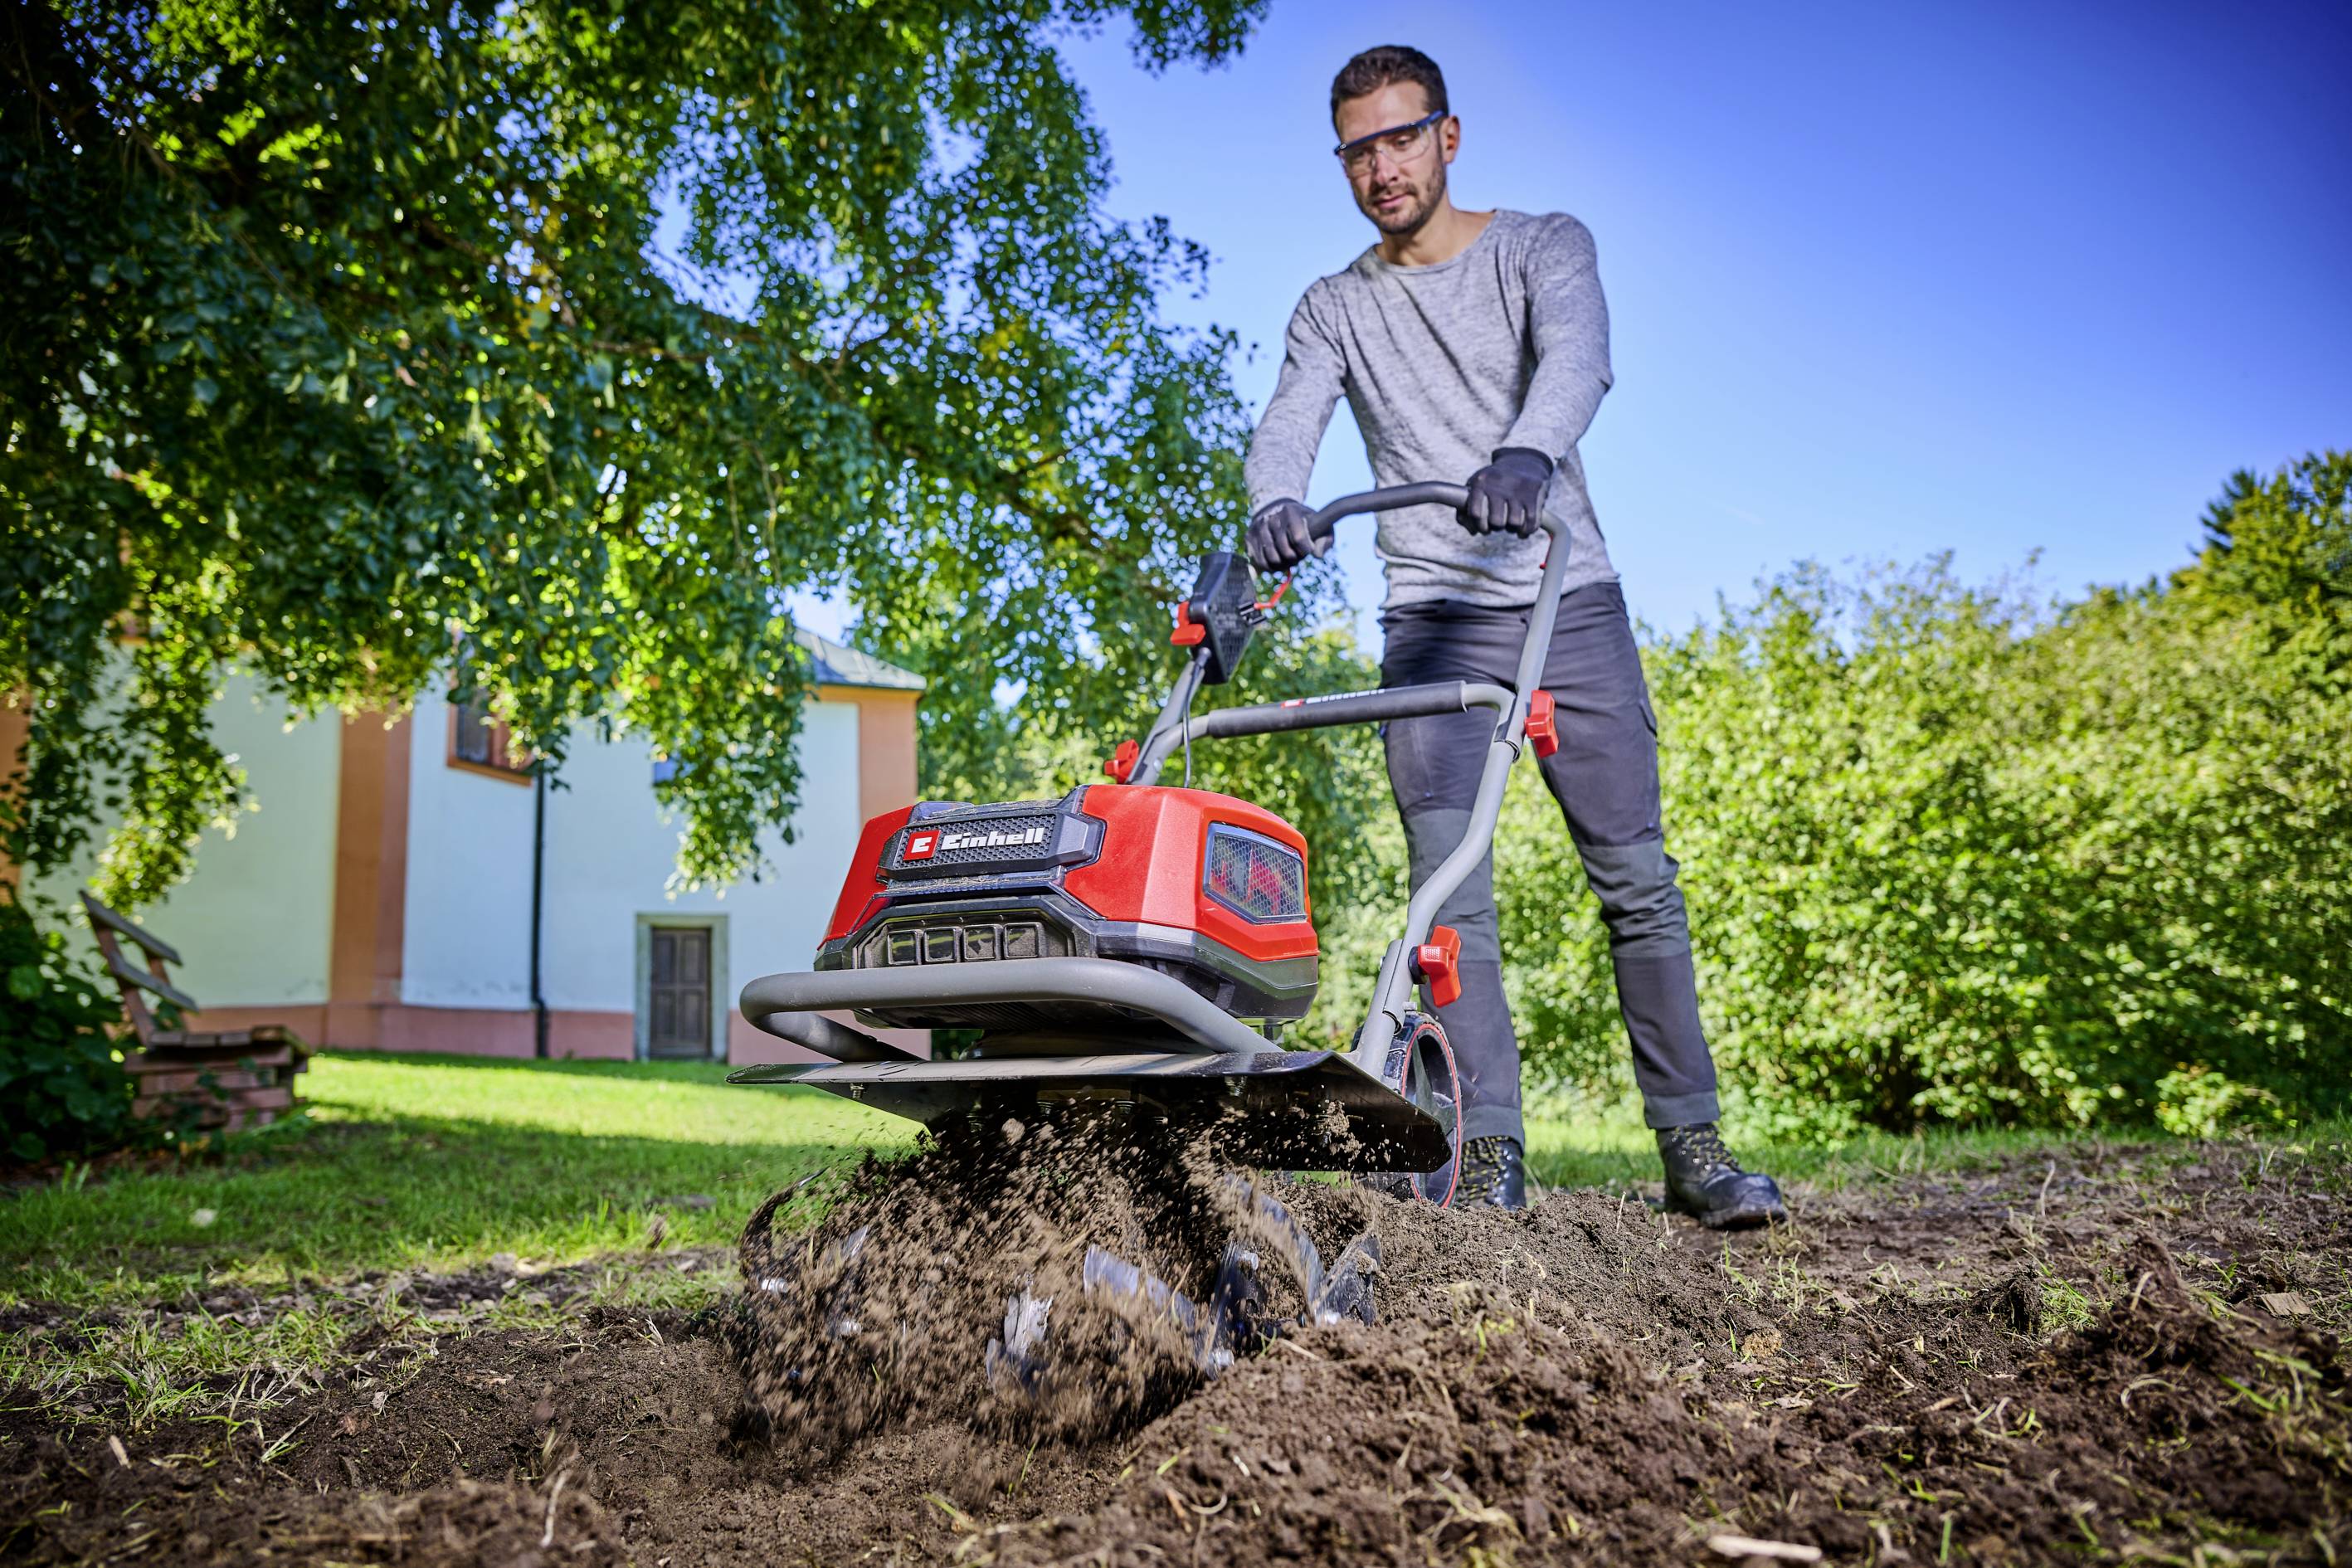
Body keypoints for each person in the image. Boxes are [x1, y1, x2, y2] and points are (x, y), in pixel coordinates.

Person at [1244, 45, 1785, 1227]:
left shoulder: (1545, 244)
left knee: (1637, 880)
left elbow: (1579, 358)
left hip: (1563, 594)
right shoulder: (1334, 303)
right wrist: (1273, 503)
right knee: (1450, 899)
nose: (1382, 167)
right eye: (1358, 149)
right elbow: (1290, 416)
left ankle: (1693, 1145)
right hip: (1430, 624)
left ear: (1447, 134)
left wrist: (1529, 454)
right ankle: (1488, 1153)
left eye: (1401, 137)